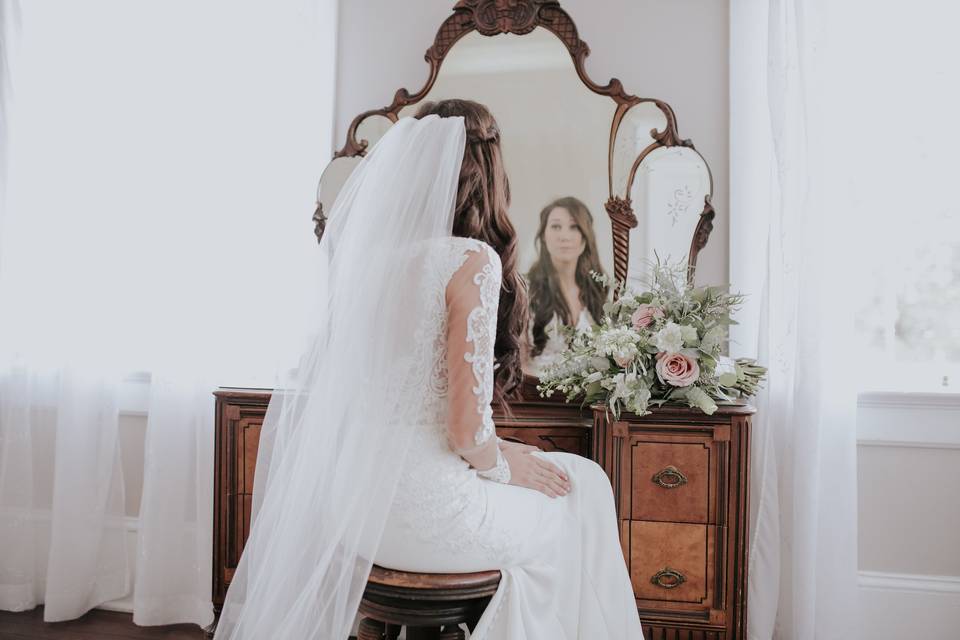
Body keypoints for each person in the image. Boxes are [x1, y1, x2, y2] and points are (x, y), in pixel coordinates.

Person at [214, 100, 643, 639]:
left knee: (567, 481)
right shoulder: (470, 260)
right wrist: (502, 462)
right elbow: (465, 432)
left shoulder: (371, 261)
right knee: (584, 490)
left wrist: (497, 456)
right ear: (487, 170)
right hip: (429, 515)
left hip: (360, 511)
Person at [525, 197, 609, 376]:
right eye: (556, 226)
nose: (564, 236)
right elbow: (518, 363)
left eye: (574, 227)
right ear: (543, 236)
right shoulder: (526, 290)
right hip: (535, 395)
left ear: (585, 237)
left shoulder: (598, 292)